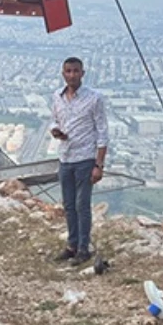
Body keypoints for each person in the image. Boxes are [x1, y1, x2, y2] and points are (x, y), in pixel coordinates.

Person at [49, 57, 109, 266]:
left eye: (76, 71)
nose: (72, 75)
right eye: (68, 71)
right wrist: (56, 131)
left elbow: (102, 132)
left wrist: (99, 165)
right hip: (65, 156)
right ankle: (71, 245)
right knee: (68, 205)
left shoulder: (94, 99)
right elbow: (55, 119)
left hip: (85, 158)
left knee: (82, 205)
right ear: (63, 73)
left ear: (82, 73)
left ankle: (84, 248)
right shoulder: (57, 96)